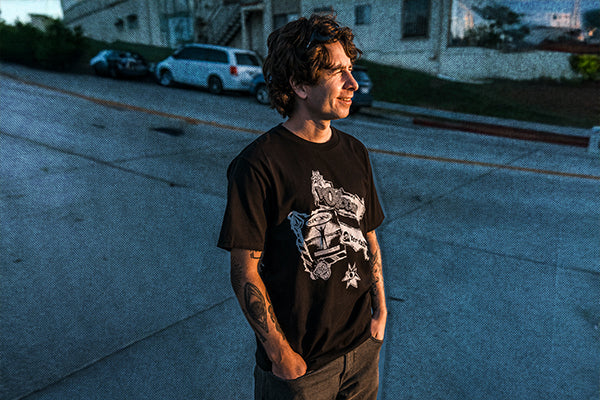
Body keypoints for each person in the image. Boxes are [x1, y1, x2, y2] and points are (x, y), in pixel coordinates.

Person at [217, 14, 387, 400]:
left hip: (362, 350)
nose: (353, 83)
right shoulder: (259, 164)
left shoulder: (355, 152)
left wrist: (380, 312)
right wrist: (281, 356)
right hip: (302, 369)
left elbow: (369, 235)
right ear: (299, 85)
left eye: (350, 69)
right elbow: (244, 271)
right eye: (337, 72)